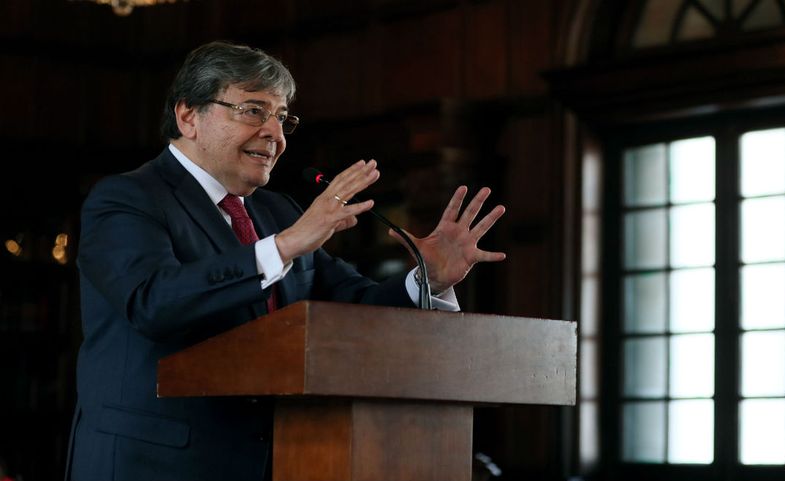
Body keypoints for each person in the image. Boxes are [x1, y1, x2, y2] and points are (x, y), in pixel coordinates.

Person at [65, 40, 506, 481]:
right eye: (253, 111)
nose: (275, 135)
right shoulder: (127, 197)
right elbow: (152, 302)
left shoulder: (278, 211)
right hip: (153, 464)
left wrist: (427, 278)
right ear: (188, 116)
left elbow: (354, 308)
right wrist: (284, 246)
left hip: (278, 461)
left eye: (281, 117)